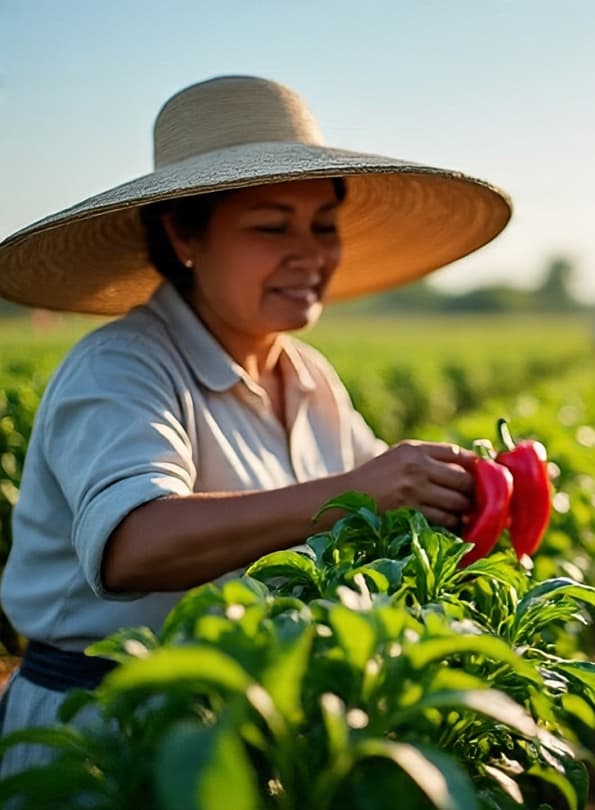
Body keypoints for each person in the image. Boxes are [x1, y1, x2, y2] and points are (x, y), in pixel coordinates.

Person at [0, 75, 512, 772]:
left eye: (323, 227)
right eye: (272, 227)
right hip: (99, 736)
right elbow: (132, 545)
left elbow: (378, 510)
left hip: (244, 720)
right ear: (185, 233)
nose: (312, 254)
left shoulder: (306, 375)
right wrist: (361, 491)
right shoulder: (122, 366)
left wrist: (458, 493)